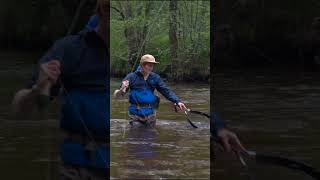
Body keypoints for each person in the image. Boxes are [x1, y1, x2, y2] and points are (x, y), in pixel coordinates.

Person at [11, 0, 109, 179]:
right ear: (104, 9)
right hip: (80, 169)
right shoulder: (70, 49)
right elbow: (19, 110)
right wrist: (37, 89)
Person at [114, 54, 187, 127]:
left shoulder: (155, 77)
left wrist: (177, 101)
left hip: (151, 114)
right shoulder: (131, 77)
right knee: (135, 136)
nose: (151, 68)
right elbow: (117, 95)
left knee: (150, 136)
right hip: (135, 114)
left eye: (152, 66)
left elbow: (166, 91)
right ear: (142, 65)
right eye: (149, 65)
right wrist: (121, 89)